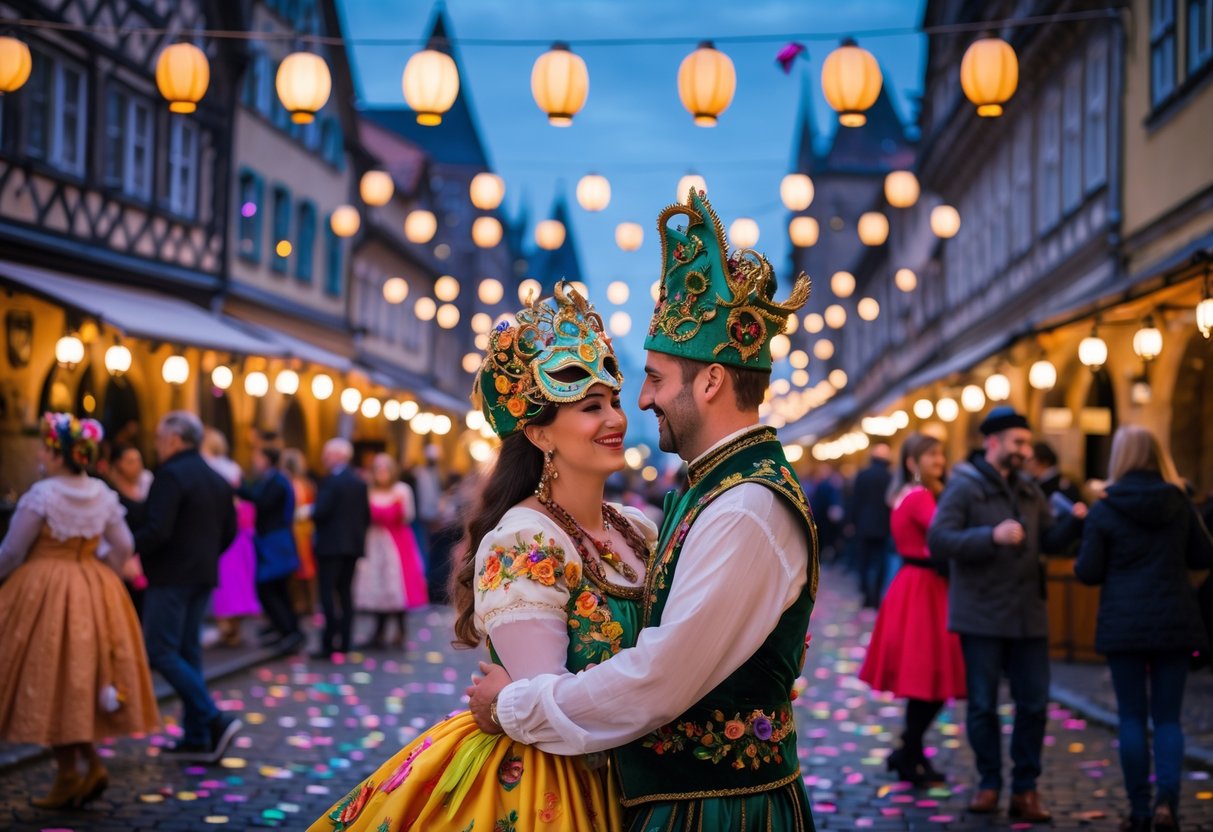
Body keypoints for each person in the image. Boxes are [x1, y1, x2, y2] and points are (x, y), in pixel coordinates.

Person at [469, 190, 819, 830]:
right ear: (540, 433)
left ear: (709, 382)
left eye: (647, 381)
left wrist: (515, 705)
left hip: (708, 807)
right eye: (592, 403)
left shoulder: (719, 510)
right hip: (586, 795)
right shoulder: (535, 539)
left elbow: (663, 673)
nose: (634, 407)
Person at [308, 282, 656, 831]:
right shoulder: (524, 542)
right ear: (540, 433)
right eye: (591, 407)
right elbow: (540, 705)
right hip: (560, 784)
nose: (615, 419)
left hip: (641, 775)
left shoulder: (636, 529)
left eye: (613, 401)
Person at [927, 406, 1087, 822]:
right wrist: (989, 536)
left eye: (1027, 443)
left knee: (1033, 705)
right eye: (1018, 442)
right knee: (982, 705)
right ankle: (989, 783)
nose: (1025, 450)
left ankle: (1026, 789)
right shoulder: (963, 487)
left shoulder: (1031, 491)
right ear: (992, 442)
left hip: (1028, 615)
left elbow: (1048, 540)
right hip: (980, 613)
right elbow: (939, 540)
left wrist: (1075, 524)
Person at [0, 413, 160, 809]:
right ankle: (80, 767)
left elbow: (13, 551)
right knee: (79, 679)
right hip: (93, 586)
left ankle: (72, 773)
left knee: (51, 677)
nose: (40, 453)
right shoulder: (102, 495)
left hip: (44, 589)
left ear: (56, 453)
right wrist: (101, 573)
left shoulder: (42, 495)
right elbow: (123, 546)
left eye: (44, 447)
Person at [1074, 426, 1213, 832]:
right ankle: (1167, 803)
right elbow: (1204, 554)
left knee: (1132, 718)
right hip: (1173, 620)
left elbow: (1088, 571)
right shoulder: (1179, 502)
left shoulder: (1106, 508)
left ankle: (1138, 809)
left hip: (1124, 624)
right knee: (1168, 719)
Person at [135, 411, 242, 763]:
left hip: (171, 576)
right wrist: (207, 556)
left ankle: (213, 718)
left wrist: (130, 548)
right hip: (201, 574)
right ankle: (196, 737)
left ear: (176, 439)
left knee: (162, 651)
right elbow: (230, 529)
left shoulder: (171, 474)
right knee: (187, 653)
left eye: (159, 438)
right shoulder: (215, 476)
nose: (156, 445)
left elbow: (157, 529)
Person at [858, 432, 965, 786]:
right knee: (929, 677)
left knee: (929, 679)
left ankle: (910, 753)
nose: (940, 461)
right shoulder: (920, 497)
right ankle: (909, 752)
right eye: (932, 455)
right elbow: (944, 535)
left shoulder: (906, 493)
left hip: (916, 585)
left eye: (941, 454)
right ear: (912, 463)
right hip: (925, 587)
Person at [352, 453, 428, 648]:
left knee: (397, 584)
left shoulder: (402, 490)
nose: (382, 473)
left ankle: (400, 630)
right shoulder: (368, 491)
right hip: (374, 542)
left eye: (386, 469)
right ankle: (379, 630)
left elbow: (408, 515)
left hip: (397, 542)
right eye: (378, 469)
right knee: (377, 583)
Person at [239, 445, 305, 653]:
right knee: (278, 589)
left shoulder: (276, 481)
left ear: (267, 459)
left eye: (257, 457)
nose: (254, 461)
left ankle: (289, 630)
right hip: (273, 540)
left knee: (270, 588)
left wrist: (237, 487)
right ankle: (286, 630)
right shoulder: (273, 479)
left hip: (276, 542)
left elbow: (262, 501)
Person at [311, 437, 371, 659]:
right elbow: (366, 516)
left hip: (330, 546)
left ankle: (328, 642)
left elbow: (320, 512)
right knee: (346, 594)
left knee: (327, 593)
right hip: (352, 547)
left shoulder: (331, 482)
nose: (324, 458)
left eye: (327, 453)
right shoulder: (358, 482)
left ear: (338, 456)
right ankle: (345, 641)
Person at [202, 429, 260, 648]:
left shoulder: (210, 468)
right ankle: (232, 627)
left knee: (225, 582)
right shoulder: (232, 468)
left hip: (223, 531)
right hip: (239, 533)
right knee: (236, 582)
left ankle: (225, 626)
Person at [107, 442, 153, 616]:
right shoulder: (111, 494)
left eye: (138, 460)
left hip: (145, 561)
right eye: (130, 461)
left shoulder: (148, 487)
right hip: (120, 563)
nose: (136, 465)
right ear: (118, 464)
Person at [849, 442, 894, 608]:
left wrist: (851, 522)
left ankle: (867, 595)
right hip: (883, 526)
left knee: (864, 562)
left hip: (863, 525)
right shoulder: (890, 476)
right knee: (881, 563)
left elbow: (855, 500)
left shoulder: (863, 475)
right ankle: (875, 597)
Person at [281, 447, 318, 618]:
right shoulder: (305, 484)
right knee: (302, 570)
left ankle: (302, 605)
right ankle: (303, 605)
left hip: (299, 532)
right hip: (302, 532)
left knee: (301, 570)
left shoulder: (296, 485)